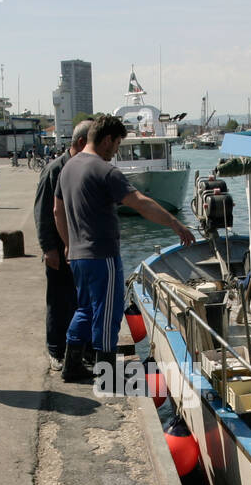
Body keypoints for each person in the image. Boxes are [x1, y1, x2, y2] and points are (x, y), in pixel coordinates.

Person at [54, 113, 194, 381]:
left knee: (84, 309)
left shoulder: (67, 168)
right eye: (117, 145)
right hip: (101, 255)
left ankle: (71, 365)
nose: (116, 152)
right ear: (107, 140)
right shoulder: (104, 171)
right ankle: (106, 373)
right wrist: (175, 223)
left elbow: (57, 211)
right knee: (109, 312)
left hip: (78, 256)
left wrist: (68, 246)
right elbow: (140, 202)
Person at [33, 119, 90, 370]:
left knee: (81, 301)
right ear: (80, 143)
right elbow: (44, 212)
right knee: (59, 301)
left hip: (82, 250)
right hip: (59, 248)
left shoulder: (85, 168)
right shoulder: (55, 170)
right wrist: (49, 248)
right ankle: (56, 350)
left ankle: (82, 349)